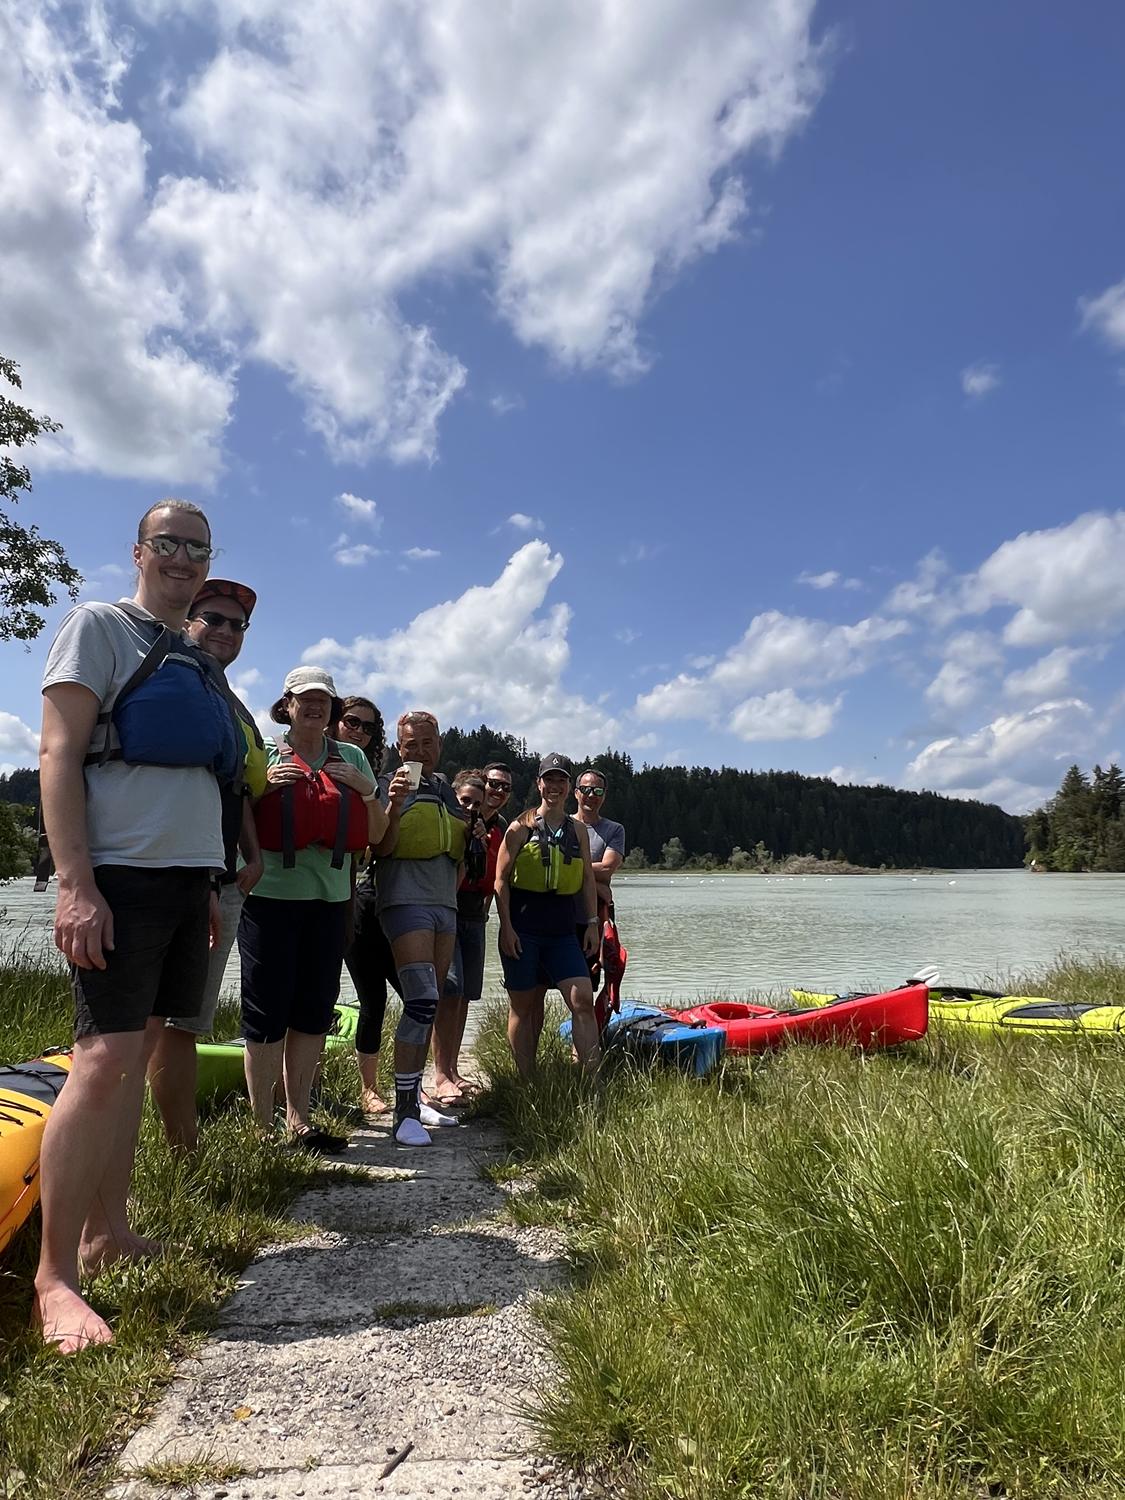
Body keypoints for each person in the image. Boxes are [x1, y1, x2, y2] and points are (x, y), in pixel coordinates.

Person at [34, 497, 233, 1353]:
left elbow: (202, 781)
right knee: (104, 1060)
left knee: (139, 1051)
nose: (183, 557)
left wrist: (209, 881)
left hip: (187, 882)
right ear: (139, 551)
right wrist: (75, 883)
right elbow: (57, 753)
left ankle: (107, 1231)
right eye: (168, 543)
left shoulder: (194, 656)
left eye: (198, 547)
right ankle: (53, 1279)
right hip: (119, 878)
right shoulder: (98, 626)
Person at [240, 668, 387, 1152]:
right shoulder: (263, 753)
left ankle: (298, 1120)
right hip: (270, 899)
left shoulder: (352, 757)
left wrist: (367, 790)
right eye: (305, 698)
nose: (315, 706)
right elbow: (236, 816)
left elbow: (378, 833)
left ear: (332, 709)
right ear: (287, 705)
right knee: (266, 1011)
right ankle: (262, 1127)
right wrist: (263, 788)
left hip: (331, 901)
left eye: (324, 700)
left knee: (313, 1010)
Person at [148, 579, 267, 1152]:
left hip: (221, 876)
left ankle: (179, 1149)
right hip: (172, 869)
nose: (225, 631)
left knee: (188, 1018)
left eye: (236, 624)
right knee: (163, 1020)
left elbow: (235, 788)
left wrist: (254, 853)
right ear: (186, 619)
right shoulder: (169, 671)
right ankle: (176, 1148)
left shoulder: (230, 701)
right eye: (212, 619)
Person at [371, 710, 469, 1146]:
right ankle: (404, 1113)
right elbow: (382, 846)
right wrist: (393, 805)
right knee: (422, 998)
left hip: (444, 905)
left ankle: (416, 1097)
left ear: (439, 745)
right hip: (404, 900)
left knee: (435, 999)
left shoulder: (444, 788)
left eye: (428, 743)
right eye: (411, 744)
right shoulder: (386, 785)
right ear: (399, 748)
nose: (421, 751)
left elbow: (458, 848)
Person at [495, 754, 601, 1078]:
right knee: (523, 1007)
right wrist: (506, 927)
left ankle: (592, 1081)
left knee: (582, 999)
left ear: (569, 787)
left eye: (561, 780)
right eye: (549, 779)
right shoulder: (520, 827)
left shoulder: (577, 830)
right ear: (538, 784)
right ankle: (527, 1081)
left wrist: (592, 924)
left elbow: (587, 879)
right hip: (523, 929)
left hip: (562, 931)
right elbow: (500, 881)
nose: (555, 786)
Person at [332, 696, 399, 1117]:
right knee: (369, 999)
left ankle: (407, 1082)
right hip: (342, 900)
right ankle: (366, 1089)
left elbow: (381, 841)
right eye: (352, 722)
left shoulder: (372, 778)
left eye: (368, 728)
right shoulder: (312, 764)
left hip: (373, 900)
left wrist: (377, 795)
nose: (359, 731)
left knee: (417, 995)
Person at [432, 770, 489, 1103]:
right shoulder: (444, 825)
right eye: (465, 801)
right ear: (453, 797)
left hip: (474, 917)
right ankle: (440, 1074)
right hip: (446, 914)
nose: (470, 808)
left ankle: (451, 1069)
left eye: (476, 804)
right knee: (449, 990)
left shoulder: (482, 830)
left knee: (464, 994)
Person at [573, 767, 627, 1025]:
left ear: (604, 796)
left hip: (594, 918)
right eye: (585, 789)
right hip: (561, 914)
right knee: (544, 986)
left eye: (597, 791)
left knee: (587, 989)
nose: (591, 795)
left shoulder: (614, 829)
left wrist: (567, 866)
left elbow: (607, 868)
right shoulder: (564, 824)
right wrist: (596, 882)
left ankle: (585, 1044)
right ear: (576, 793)